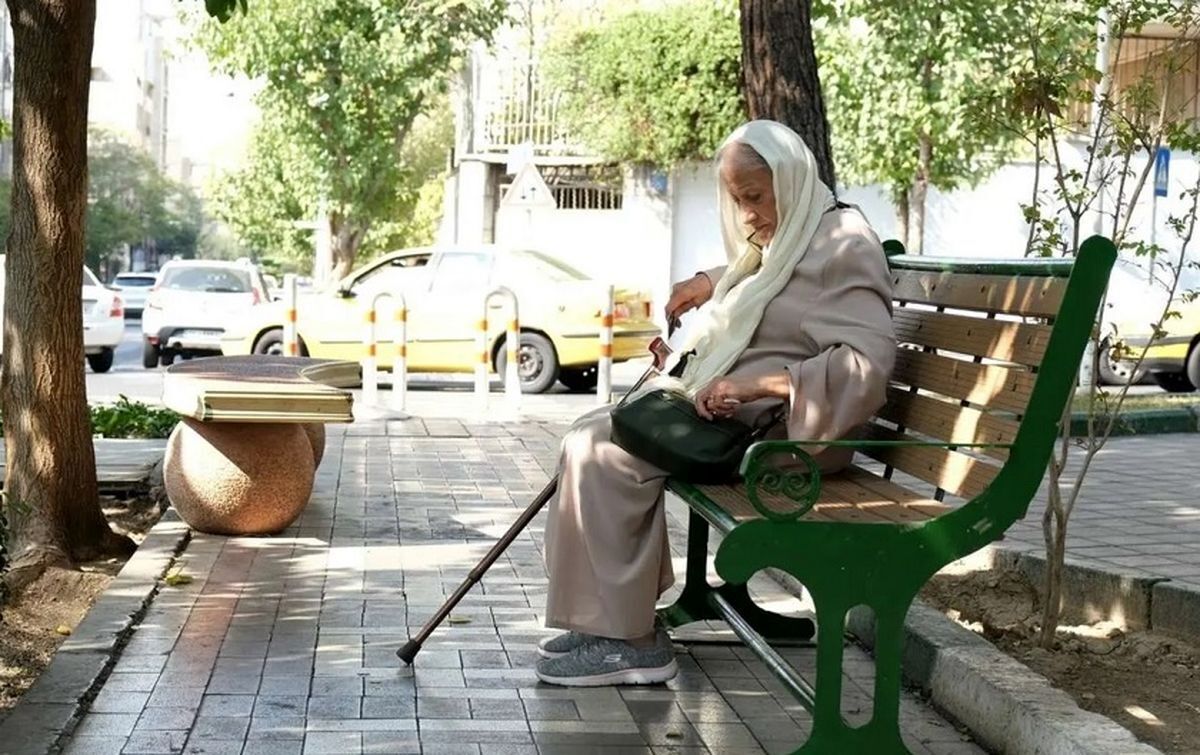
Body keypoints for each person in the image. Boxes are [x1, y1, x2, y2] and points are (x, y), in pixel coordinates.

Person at [536, 120, 896, 687]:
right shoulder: (789, 234)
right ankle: (612, 620)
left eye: (755, 196)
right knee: (594, 428)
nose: (747, 215)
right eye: (736, 200)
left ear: (792, 178)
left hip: (785, 440)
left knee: (604, 449)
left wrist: (756, 386)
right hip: (735, 422)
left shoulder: (845, 242)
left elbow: (864, 367)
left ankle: (631, 640)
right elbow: (765, 287)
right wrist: (698, 319)